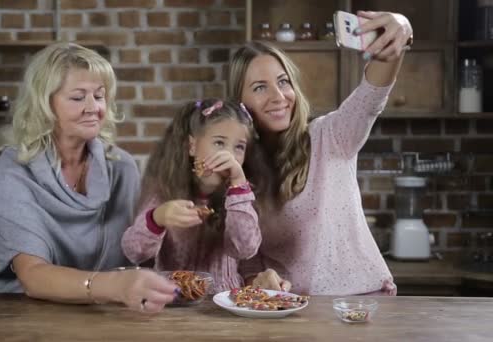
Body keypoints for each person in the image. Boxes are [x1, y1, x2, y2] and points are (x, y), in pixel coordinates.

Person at [0, 42, 177, 313]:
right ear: (44, 104)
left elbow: (137, 253)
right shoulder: (12, 173)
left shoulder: (122, 167)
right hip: (22, 315)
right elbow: (33, 277)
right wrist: (116, 286)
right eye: (77, 97)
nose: (93, 108)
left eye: (99, 96)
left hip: (106, 315)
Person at [228, 11, 414, 295]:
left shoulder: (330, 136)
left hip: (363, 304)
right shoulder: (240, 177)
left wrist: (400, 27)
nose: (278, 97)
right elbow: (249, 264)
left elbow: (371, 96)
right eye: (259, 87)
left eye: (283, 82)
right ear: (240, 104)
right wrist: (259, 281)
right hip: (294, 313)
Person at [122, 99, 262, 293]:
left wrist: (238, 185)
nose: (228, 156)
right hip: (172, 299)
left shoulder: (242, 198)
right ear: (192, 146)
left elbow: (245, 249)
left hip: (223, 302)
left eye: (239, 147)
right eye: (219, 142)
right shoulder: (164, 192)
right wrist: (157, 218)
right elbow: (133, 251)